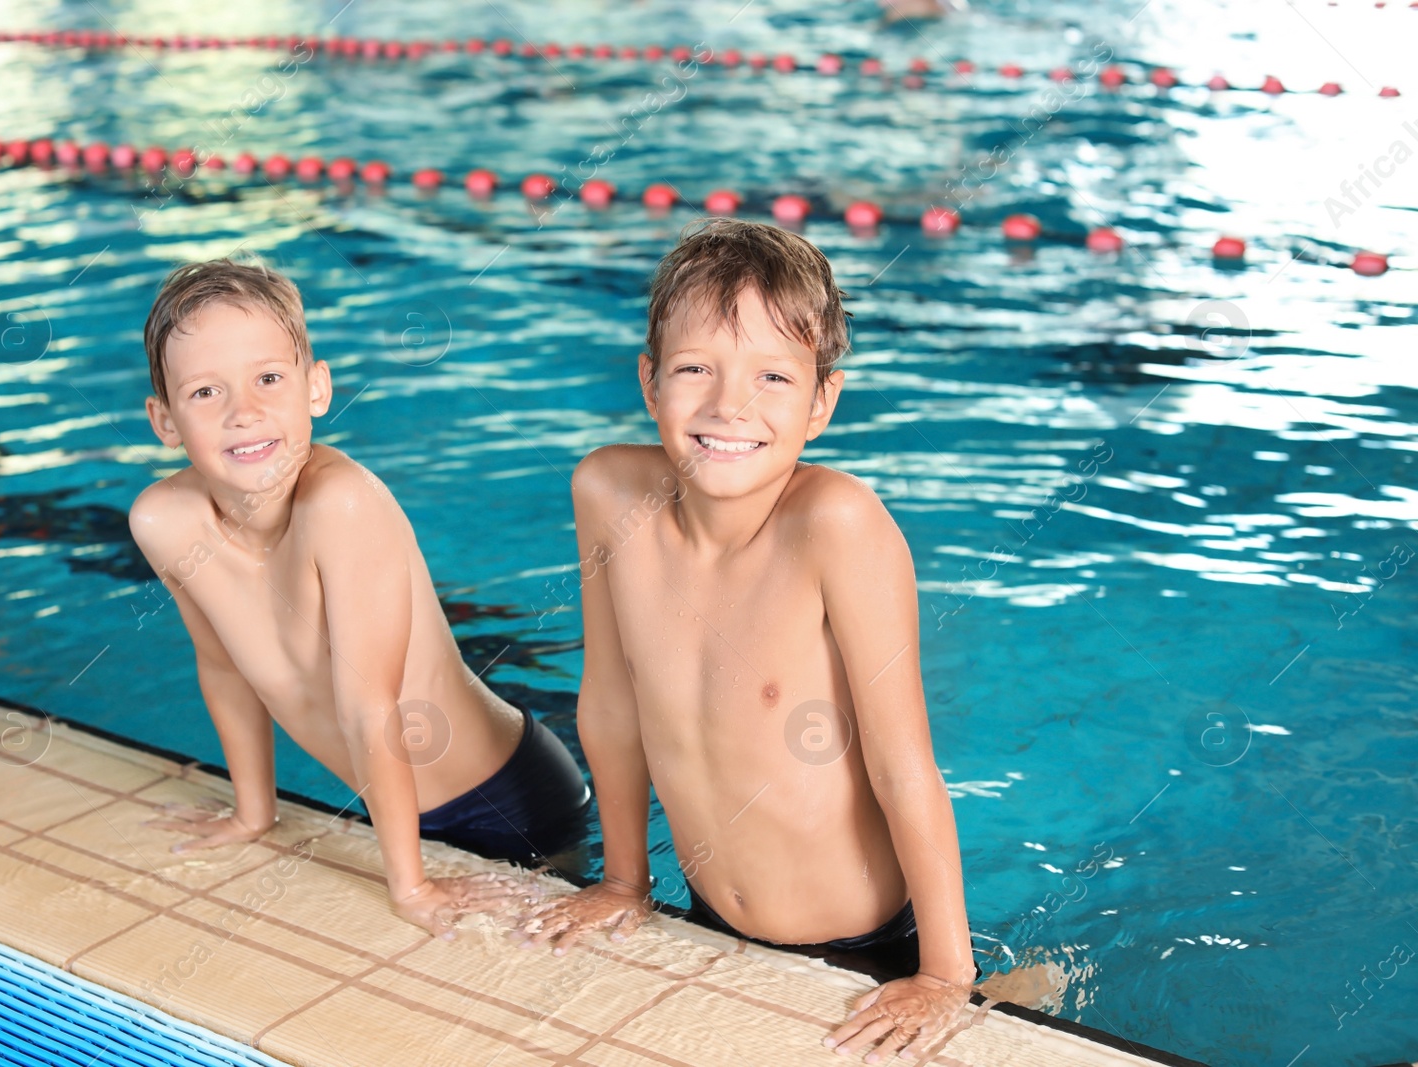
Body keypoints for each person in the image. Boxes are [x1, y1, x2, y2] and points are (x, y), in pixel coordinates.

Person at [519, 220, 980, 1062]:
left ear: (821, 402)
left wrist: (945, 973)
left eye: (773, 375)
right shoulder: (609, 491)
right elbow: (612, 706)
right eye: (698, 368)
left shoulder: (836, 524)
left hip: (868, 948)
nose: (730, 406)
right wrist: (624, 880)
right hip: (713, 920)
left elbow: (902, 762)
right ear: (650, 381)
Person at [128, 258, 589, 937]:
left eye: (268, 378)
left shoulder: (340, 504)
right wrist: (253, 812)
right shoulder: (163, 521)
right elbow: (223, 667)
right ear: (164, 419)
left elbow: (372, 705)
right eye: (205, 392)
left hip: (505, 801)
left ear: (316, 388)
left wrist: (409, 885)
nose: (243, 411)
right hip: (395, 803)